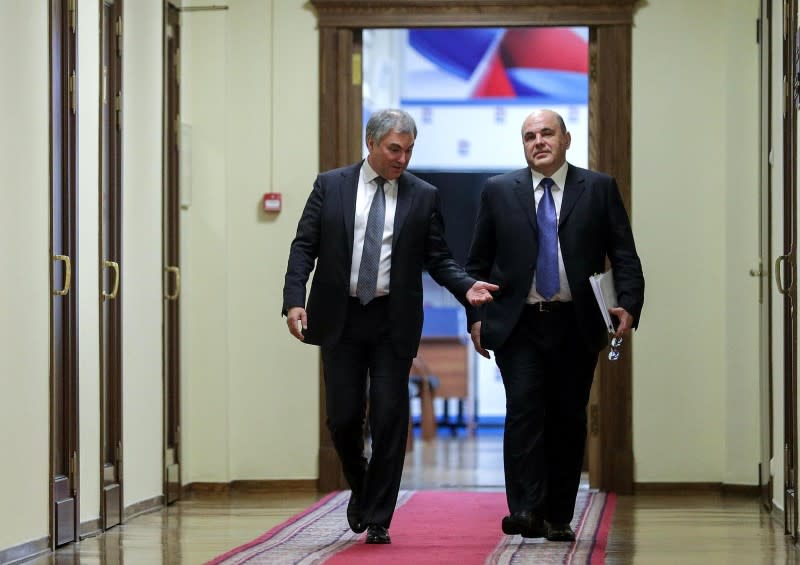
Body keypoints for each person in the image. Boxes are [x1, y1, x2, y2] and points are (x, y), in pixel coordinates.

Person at [282, 109, 499, 545]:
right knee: (343, 418)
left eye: (409, 150)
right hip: (340, 316)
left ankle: (378, 515)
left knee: (390, 416)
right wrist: (293, 300)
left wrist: (465, 289)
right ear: (371, 143)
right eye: (394, 149)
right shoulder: (331, 185)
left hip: (391, 320)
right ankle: (363, 485)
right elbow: (305, 245)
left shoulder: (423, 195)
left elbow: (437, 258)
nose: (402, 159)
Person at [465, 109, 644, 542]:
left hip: (576, 323)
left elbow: (623, 254)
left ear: (566, 139)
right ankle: (525, 510)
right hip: (518, 323)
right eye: (529, 136)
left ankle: (559, 515)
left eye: (547, 133)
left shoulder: (598, 189)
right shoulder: (498, 191)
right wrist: (476, 317)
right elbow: (476, 263)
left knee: (567, 417)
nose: (538, 141)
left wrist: (629, 305)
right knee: (524, 411)